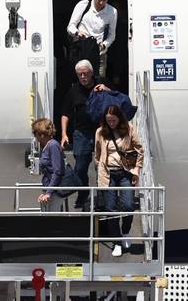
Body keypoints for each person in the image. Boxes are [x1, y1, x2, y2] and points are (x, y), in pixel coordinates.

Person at [58, 60, 111, 210]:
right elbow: (65, 114)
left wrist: (106, 89)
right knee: (80, 168)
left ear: (91, 72)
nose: (82, 76)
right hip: (82, 133)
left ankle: (102, 198)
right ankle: (83, 194)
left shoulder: (101, 83)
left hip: (102, 132)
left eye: (85, 73)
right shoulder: (74, 90)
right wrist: (63, 134)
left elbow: (118, 98)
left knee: (102, 166)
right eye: (79, 74)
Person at [95, 104, 143, 257]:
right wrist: (99, 166)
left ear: (119, 118)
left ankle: (126, 232)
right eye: (108, 120)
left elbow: (139, 149)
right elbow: (97, 152)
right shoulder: (100, 132)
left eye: (114, 120)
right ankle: (117, 242)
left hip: (125, 173)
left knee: (128, 205)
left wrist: (136, 170)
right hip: (108, 173)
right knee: (110, 209)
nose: (111, 123)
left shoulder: (129, 129)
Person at [66, 0, 118, 75]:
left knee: (99, 84)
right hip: (81, 51)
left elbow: (112, 35)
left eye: (105, 0)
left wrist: (104, 45)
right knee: (80, 82)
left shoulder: (112, 11)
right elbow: (70, 27)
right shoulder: (83, 5)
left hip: (99, 54)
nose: (101, 2)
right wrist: (77, 33)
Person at [32, 118, 67, 212]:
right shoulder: (46, 147)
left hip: (55, 191)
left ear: (41, 134)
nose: (35, 137)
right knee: (47, 218)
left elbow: (57, 171)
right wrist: (45, 192)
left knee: (52, 219)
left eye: (35, 134)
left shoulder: (53, 146)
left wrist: (49, 193)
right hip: (49, 189)